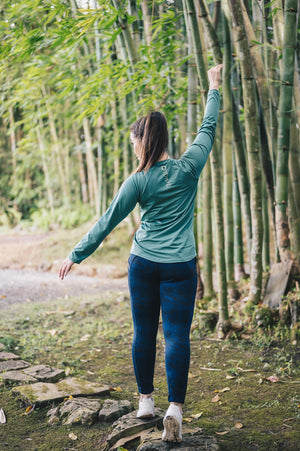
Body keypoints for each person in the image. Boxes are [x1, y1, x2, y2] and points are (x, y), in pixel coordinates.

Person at [59, 63, 222, 443]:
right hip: (181, 265)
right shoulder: (188, 167)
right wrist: (213, 85)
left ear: (143, 141)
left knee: (144, 332)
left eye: (134, 142)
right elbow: (208, 128)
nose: (133, 147)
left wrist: (76, 254)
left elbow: (108, 220)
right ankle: (175, 409)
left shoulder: (138, 179)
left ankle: (146, 402)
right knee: (177, 335)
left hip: (144, 263)